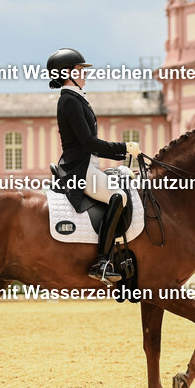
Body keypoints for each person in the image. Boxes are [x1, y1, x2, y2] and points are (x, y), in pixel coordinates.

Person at [49, 47, 139, 283]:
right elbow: (89, 143)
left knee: (120, 180)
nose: (85, 74)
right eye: (80, 70)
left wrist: (119, 164)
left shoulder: (77, 98)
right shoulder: (69, 100)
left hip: (88, 166)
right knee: (118, 197)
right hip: (78, 169)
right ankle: (102, 261)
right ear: (67, 73)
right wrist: (124, 148)